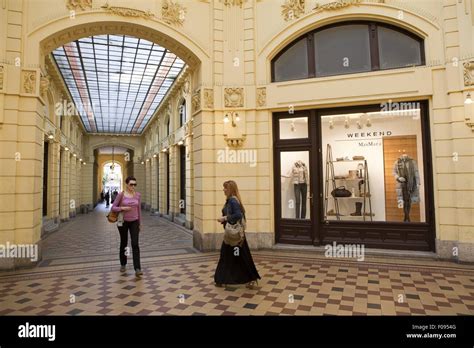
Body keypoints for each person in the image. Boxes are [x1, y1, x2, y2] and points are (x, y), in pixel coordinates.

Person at [214, 180, 261, 289]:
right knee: (233, 256)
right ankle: (223, 279)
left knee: (235, 256)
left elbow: (238, 215)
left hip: (235, 235)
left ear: (230, 189)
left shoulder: (232, 201)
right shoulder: (231, 200)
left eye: (225, 188)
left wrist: (224, 218)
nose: (223, 190)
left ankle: (222, 279)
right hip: (233, 235)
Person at [111, 176, 143, 278]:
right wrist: (123, 208)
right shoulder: (121, 195)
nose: (133, 186)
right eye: (131, 184)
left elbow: (139, 210)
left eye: (135, 184)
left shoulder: (138, 195)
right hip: (123, 222)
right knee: (124, 243)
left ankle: (137, 268)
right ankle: (123, 264)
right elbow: (113, 207)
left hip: (134, 222)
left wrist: (140, 223)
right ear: (127, 184)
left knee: (135, 244)